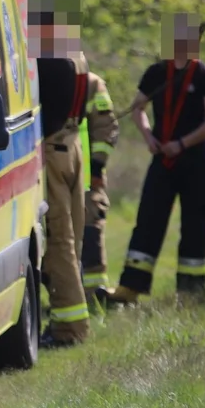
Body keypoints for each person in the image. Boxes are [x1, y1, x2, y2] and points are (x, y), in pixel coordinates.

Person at [101, 14, 205, 306]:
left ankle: (191, 291)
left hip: (194, 160)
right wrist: (149, 138)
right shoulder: (156, 73)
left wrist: (181, 144)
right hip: (162, 159)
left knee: (194, 222)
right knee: (148, 219)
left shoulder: (204, 76)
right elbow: (138, 108)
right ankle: (130, 288)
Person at [29, 0, 91, 347]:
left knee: (58, 241)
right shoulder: (75, 56)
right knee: (72, 239)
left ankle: (69, 329)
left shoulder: (49, 62)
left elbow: (44, 115)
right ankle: (71, 319)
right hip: (72, 146)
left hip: (52, 151)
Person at [78, 69, 119, 305]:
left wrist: (96, 167)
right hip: (47, 177)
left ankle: (95, 296)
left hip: (86, 177)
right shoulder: (31, 78)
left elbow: (106, 128)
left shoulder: (91, 83)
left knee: (90, 229)